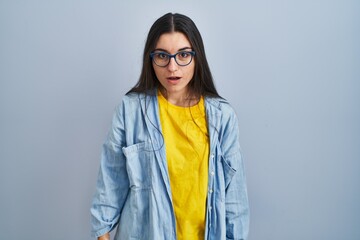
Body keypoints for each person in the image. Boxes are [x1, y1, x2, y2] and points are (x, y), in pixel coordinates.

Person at [90, 12, 249, 240]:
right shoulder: (130, 111)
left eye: (183, 55)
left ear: (197, 57)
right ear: (151, 58)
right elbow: (109, 187)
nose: (172, 67)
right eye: (162, 56)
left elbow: (235, 204)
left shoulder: (223, 117)